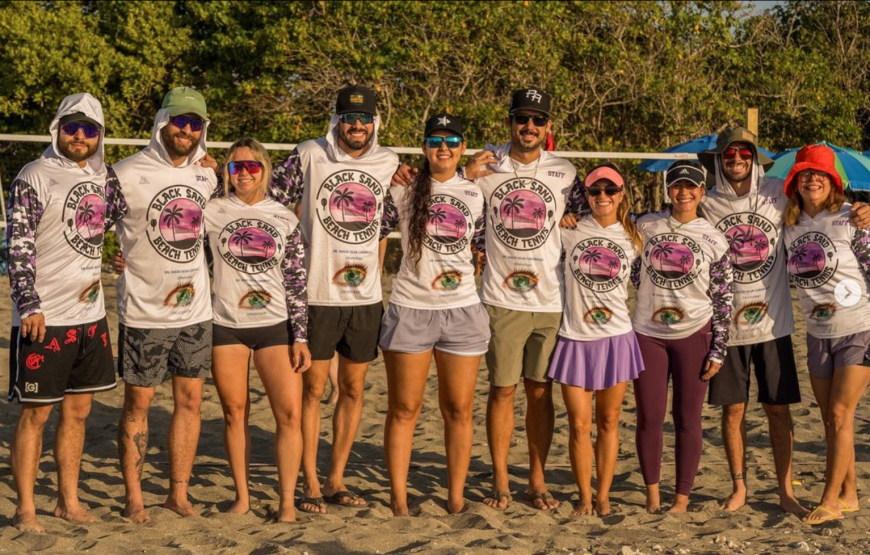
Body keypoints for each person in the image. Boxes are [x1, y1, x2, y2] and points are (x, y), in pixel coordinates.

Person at [699, 128, 870, 515]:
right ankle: (842, 493)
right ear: (720, 160)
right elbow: (673, 221)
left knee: (814, 413)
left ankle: (805, 496)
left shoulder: (786, 195)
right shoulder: (718, 205)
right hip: (765, 329)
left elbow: (860, 242)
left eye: (745, 153)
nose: (738, 159)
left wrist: (866, 209)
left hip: (796, 326)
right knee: (748, 412)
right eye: (730, 154)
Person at [270, 85, 399, 513]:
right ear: (336, 119)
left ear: (374, 124)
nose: (357, 126)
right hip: (316, 293)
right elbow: (269, 200)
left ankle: (335, 479)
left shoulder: (389, 163)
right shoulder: (309, 153)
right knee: (313, 389)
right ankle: (308, 480)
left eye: (364, 119)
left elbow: (385, 225)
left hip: (365, 298)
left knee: (354, 389)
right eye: (349, 118)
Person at [6, 93, 123, 532]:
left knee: (78, 413)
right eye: (72, 127)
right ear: (57, 128)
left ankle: (67, 501)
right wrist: (28, 303)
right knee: (36, 413)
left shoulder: (104, 177)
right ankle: (25, 508)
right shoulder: (35, 175)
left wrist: (119, 259)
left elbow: (118, 220)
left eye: (89, 129)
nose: (79, 135)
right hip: (44, 315)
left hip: (90, 315)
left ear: (99, 136)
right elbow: (18, 244)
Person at [111, 87, 220, 522]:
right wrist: (115, 257)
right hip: (144, 312)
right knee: (138, 404)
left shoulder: (210, 175)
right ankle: (134, 497)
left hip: (196, 311)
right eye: (180, 121)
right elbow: (88, 222)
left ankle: (178, 494)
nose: (187, 130)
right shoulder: (123, 172)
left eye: (196, 124)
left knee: (190, 402)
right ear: (162, 122)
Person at [380, 114, 488, 516]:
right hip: (411, 309)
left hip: (462, 311)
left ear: (462, 147)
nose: (443, 147)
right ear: (424, 147)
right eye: (435, 140)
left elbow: (484, 246)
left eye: (452, 140)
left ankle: (456, 497)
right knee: (404, 409)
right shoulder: (402, 188)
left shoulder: (475, 192)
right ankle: (399, 499)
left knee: (458, 410)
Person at [204, 138, 312, 521]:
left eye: (252, 166)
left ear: (265, 170)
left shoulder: (283, 216)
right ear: (226, 173)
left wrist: (300, 336)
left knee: (288, 415)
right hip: (226, 327)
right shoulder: (211, 211)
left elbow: (296, 278)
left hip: (274, 327)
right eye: (236, 167)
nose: (245, 173)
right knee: (235, 412)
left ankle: (286, 503)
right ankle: (243, 497)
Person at [631, 161, 733, 513]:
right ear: (667, 190)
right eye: (677, 185)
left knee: (688, 419)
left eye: (691, 186)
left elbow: (723, 296)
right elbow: (631, 269)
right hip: (647, 334)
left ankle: (681, 499)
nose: (684, 192)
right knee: (649, 416)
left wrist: (719, 349)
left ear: (702, 191)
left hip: (695, 333)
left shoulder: (714, 236)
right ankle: (653, 494)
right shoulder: (645, 225)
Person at [780, 145, 870, 525]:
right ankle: (850, 493)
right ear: (795, 183)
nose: (811, 179)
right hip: (816, 334)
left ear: (832, 181)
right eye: (804, 174)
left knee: (839, 413)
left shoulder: (852, 218)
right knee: (830, 419)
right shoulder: (789, 226)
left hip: (859, 329)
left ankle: (829, 500)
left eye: (819, 174)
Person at [550, 163, 644, 516]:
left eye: (610, 190)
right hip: (574, 337)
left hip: (616, 339)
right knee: (578, 425)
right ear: (586, 195)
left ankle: (602, 495)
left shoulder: (635, 236)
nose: (602, 196)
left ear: (622, 194)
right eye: (595, 190)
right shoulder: (569, 230)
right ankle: (584, 496)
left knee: (608, 422)